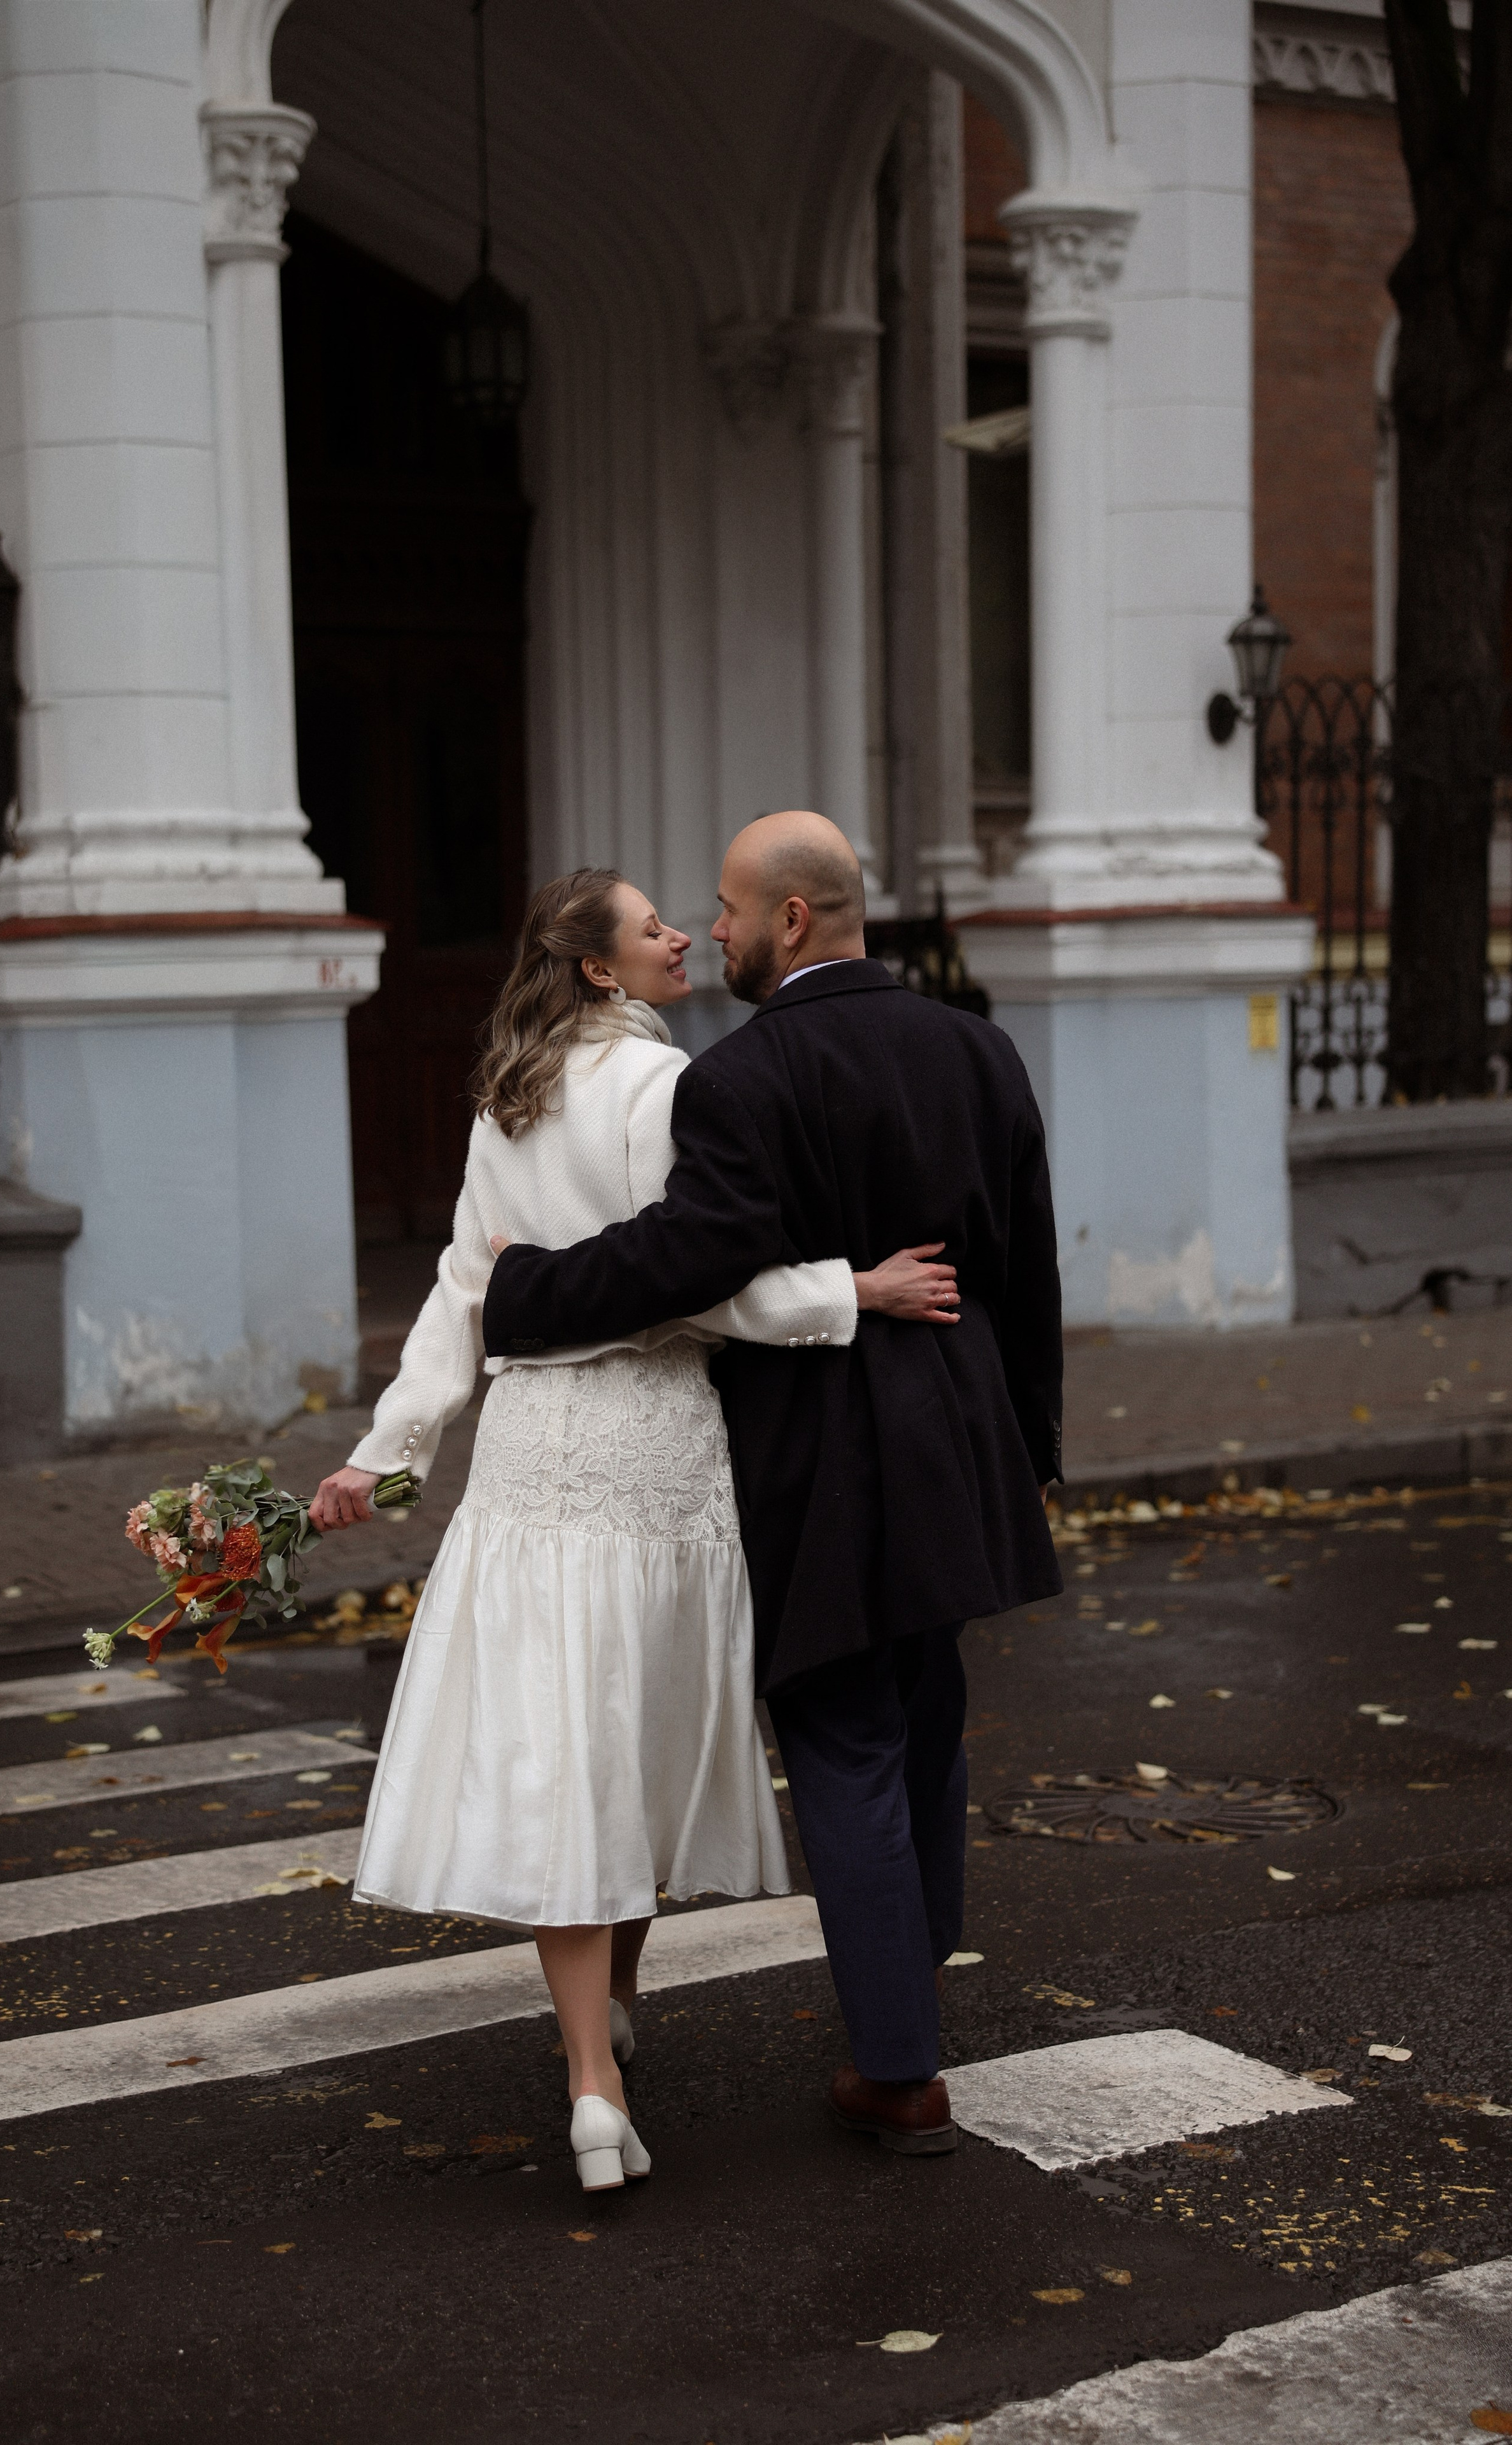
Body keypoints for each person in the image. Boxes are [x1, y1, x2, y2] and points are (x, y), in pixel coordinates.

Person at [309, 866, 959, 2195]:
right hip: (654, 1444)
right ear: (600, 968)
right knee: (633, 1751)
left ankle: (595, 2058)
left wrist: (389, 1448)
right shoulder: (669, 1088)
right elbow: (707, 1279)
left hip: (531, 1448)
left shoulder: (510, 1096)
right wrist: (857, 1290)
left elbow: (462, 1288)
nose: (681, 937)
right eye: (652, 926)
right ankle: (599, 2064)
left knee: (568, 1753)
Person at [481, 812, 1063, 2157]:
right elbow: (1026, 1272)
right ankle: (908, 1991)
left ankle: (899, 2070)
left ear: (790, 919)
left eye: (732, 912)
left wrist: (521, 1290)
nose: (717, 933)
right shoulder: (976, 1048)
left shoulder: (741, 1078)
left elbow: (688, 1257)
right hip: (964, 1430)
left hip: (825, 1444)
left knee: (845, 1739)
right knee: (922, 1723)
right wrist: (1030, 1452)